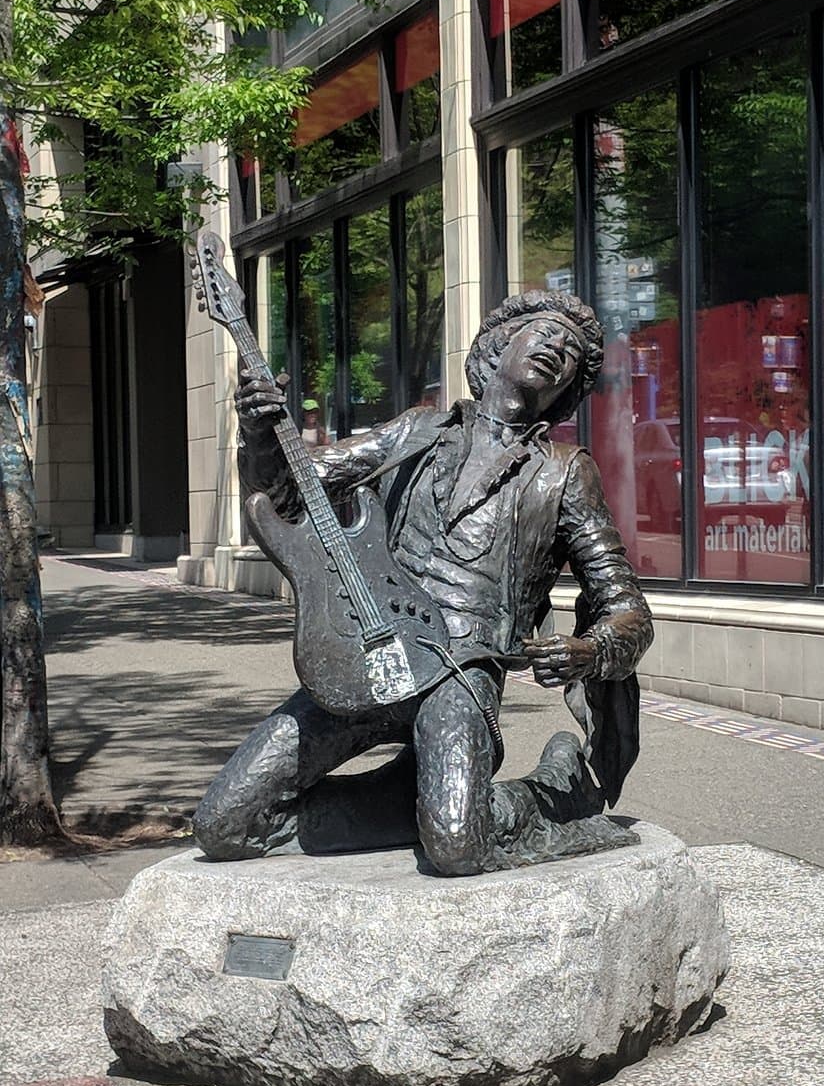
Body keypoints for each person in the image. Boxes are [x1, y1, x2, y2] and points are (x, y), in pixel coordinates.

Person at [193, 291, 654, 875]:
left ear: (568, 389)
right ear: (497, 347)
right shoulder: (416, 431)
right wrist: (259, 434)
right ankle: (425, 797)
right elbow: (289, 491)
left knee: (458, 848)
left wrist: (588, 650)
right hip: (370, 652)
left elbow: (626, 606)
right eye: (545, 333)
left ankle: (549, 793)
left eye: (571, 352)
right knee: (226, 825)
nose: (557, 348)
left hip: (461, 670)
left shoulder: (565, 473)